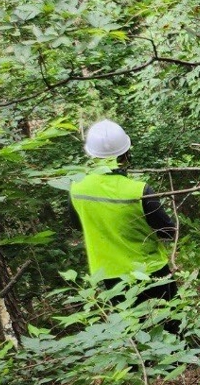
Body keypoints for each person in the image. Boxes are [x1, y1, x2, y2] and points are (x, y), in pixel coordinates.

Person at [70, 119, 177, 307]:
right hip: (151, 272)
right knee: (171, 328)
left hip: (111, 277)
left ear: (91, 155)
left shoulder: (77, 189)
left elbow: (78, 224)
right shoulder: (140, 191)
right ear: (126, 154)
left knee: (131, 332)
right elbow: (168, 231)